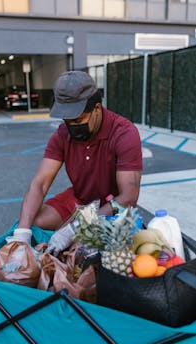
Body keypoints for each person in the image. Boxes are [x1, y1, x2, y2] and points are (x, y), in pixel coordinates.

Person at [14, 70, 142, 254]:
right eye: (68, 121)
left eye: (78, 119)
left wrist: (75, 228)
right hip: (80, 198)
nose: (73, 126)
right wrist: (22, 233)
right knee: (37, 221)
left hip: (111, 207)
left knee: (81, 250)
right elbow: (40, 183)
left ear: (97, 109)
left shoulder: (124, 133)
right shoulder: (62, 134)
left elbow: (128, 197)